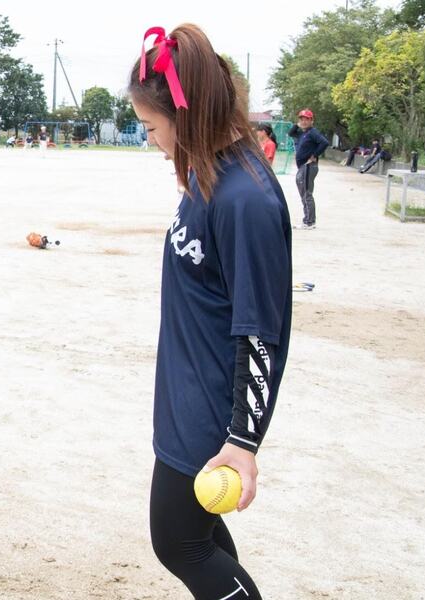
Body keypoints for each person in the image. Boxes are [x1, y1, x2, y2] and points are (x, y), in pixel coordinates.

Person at [129, 24, 292, 600]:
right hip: (185, 391)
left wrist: (242, 442)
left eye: (151, 126)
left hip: (211, 411)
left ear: (184, 111)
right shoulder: (208, 170)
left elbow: (261, 330)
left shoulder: (243, 197)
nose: (150, 139)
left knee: (177, 540)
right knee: (205, 540)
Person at [287, 109, 328, 230]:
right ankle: (308, 220)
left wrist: (315, 155)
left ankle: (309, 221)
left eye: (307, 119)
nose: (304, 121)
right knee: (304, 193)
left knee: (306, 194)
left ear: (312, 121)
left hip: (308, 166)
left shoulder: (312, 132)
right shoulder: (303, 133)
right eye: (302, 119)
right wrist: (296, 125)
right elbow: (290, 133)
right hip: (303, 167)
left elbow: (324, 142)